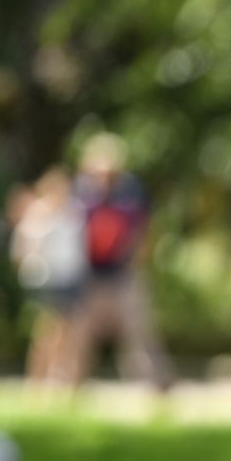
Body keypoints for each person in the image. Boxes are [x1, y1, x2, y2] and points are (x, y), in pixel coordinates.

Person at [68, 132, 174, 391]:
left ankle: (156, 384)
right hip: (91, 274)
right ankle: (71, 385)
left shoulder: (131, 191)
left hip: (123, 273)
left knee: (138, 331)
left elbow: (143, 230)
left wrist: (137, 259)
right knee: (80, 334)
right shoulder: (81, 193)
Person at [9, 167, 90, 387]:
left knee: (69, 333)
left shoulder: (73, 214)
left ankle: (61, 378)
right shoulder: (39, 215)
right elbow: (24, 249)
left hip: (70, 280)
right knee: (49, 332)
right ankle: (38, 379)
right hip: (48, 281)